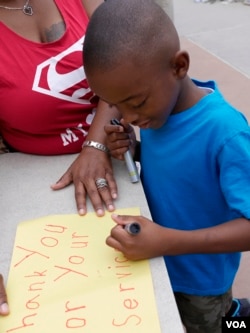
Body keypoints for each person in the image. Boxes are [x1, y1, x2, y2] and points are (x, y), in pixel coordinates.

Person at [83, 0, 250, 332]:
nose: (129, 117)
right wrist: (137, 150)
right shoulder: (159, 108)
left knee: (206, 323)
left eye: (136, 103)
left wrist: (167, 241)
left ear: (179, 66)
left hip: (200, 280)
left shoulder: (226, 132)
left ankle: (232, 317)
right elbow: (181, 163)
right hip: (157, 258)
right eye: (117, 105)